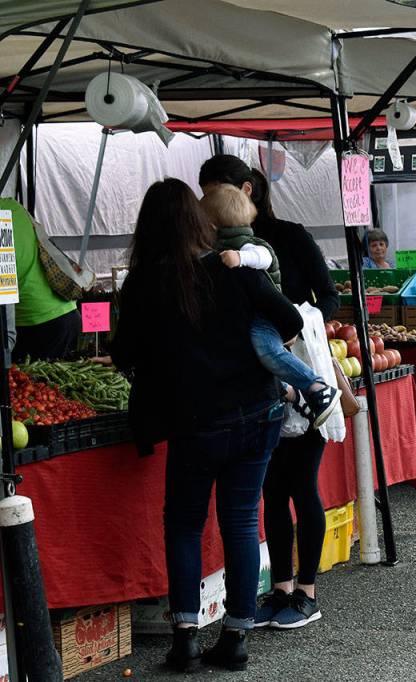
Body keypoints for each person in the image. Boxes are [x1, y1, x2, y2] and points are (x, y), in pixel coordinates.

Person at [111, 179, 303, 672]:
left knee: (184, 525)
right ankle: (236, 637)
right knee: (240, 521)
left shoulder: (143, 284)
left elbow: (124, 353)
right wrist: (256, 345)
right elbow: (290, 320)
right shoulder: (231, 267)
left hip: (193, 423)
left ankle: (185, 641)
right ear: (199, 222)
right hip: (256, 413)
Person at [198, 156, 342, 630]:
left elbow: (330, 296)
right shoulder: (213, 248)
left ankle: (307, 592)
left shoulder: (286, 237)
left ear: (245, 190)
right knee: (272, 491)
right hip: (256, 385)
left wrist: (292, 323)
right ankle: (280, 587)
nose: (207, 205)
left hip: (300, 365)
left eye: (214, 193)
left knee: (302, 484)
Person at [199, 184, 340, 427]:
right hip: (257, 315)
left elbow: (264, 257)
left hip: (266, 316)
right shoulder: (221, 248)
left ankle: (317, 388)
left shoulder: (248, 244)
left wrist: (241, 258)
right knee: (260, 356)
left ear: (211, 227)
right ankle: (293, 393)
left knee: (268, 350)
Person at [2, 197, 82, 362]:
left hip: (40, 323)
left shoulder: (4, 220)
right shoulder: (12, 206)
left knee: (36, 376)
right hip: (66, 311)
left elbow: (6, 281)